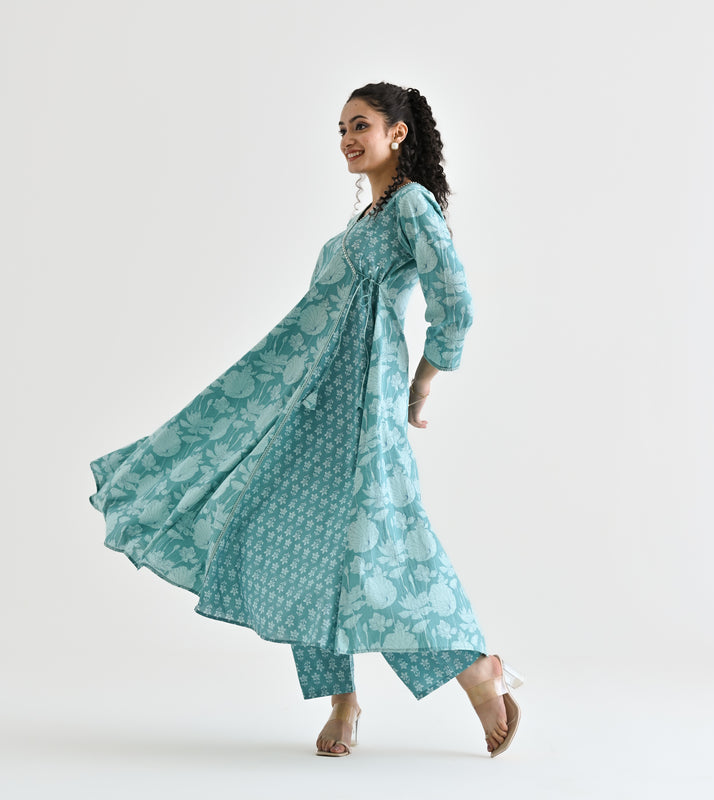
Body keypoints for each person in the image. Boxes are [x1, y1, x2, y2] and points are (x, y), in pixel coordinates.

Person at [88, 81, 524, 758]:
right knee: (295, 543)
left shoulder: (411, 204)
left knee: (389, 546)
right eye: (341, 129)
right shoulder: (364, 221)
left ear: (398, 133)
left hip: (364, 408)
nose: (348, 139)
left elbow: (456, 301)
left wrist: (423, 383)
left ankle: (475, 668)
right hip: (313, 407)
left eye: (361, 125)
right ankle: (342, 700)